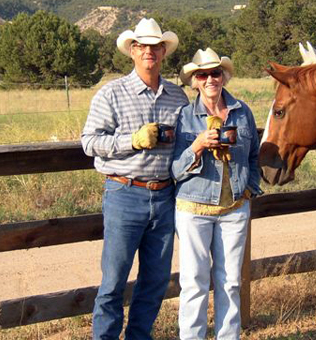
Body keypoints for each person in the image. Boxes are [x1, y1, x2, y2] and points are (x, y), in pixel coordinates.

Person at [81, 18, 189, 340]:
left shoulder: (177, 97)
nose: (148, 52)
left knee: (155, 281)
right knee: (113, 280)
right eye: (142, 46)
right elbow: (89, 142)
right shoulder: (111, 94)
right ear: (132, 51)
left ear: (162, 52)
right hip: (125, 193)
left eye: (155, 46)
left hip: (165, 195)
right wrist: (132, 140)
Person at [171, 48, 262, 340]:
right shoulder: (184, 117)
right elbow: (173, 169)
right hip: (193, 208)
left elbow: (255, 156)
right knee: (194, 283)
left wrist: (250, 188)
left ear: (223, 76)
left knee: (230, 282)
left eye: (215, 73)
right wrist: (197, 146)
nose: (210, 79)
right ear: (194, 81)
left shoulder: (242, 111)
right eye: (203, 74)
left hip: (234, 208)